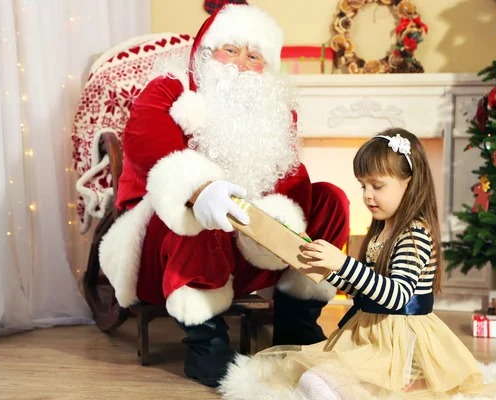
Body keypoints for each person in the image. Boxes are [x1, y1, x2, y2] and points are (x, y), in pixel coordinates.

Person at [98, 4, 350, 388]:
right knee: (204, 213)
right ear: (205, 51)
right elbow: (147, 146)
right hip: (168, 252)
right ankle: (206, 345)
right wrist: (201, 189)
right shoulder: (167, 88)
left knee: (330, 199)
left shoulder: (276, 111)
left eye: (253, 56)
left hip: (247, 249)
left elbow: (292, 181)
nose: (240, 64)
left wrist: (273, 225)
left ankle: (296, 321)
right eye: (230, 50)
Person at [219, 128, 496, 399]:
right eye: (363, 185)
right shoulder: (380, 230)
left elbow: (396, 296)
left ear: (409, 183)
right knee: (309, 375)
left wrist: (342, 262)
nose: (367, 194)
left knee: (313, 380)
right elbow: (362, 290)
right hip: (370, 332)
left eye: (377, 186)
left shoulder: (414, 234)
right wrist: (322, 264)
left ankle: (398, 383)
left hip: (398, 339)